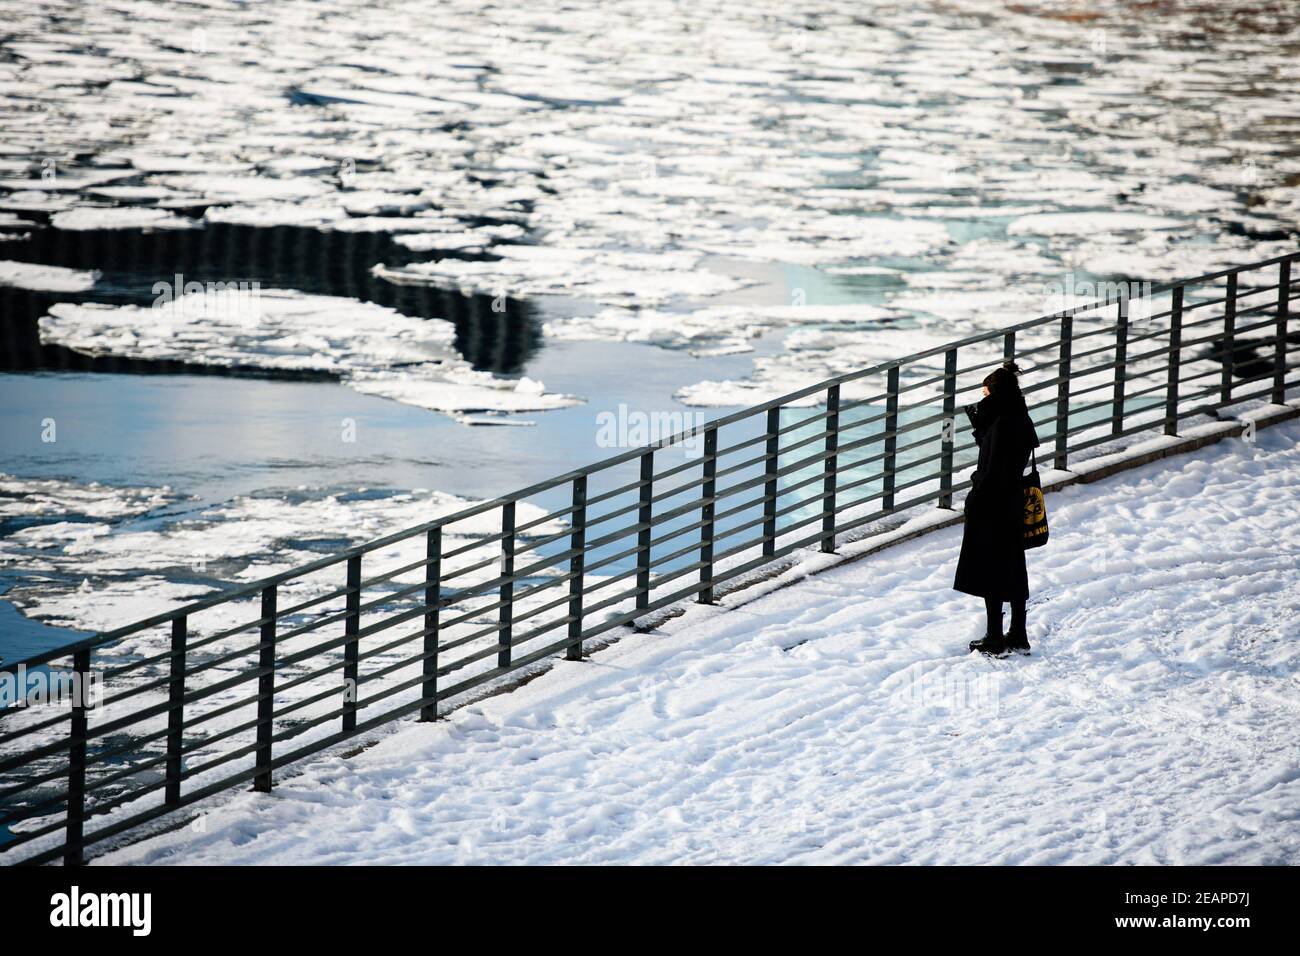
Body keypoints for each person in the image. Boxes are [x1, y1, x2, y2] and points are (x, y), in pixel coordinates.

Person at [953, 361, 1039, 656]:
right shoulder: (1020, 418)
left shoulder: (1001, 423)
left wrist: (975, 485)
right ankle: (1018, 633)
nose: (983, 397)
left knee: (992, 569)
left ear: (995, 392)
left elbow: (991, 469)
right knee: (1014, 566)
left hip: (992, 504)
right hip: (1013, 500)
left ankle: (994, 636)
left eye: (985, 392)